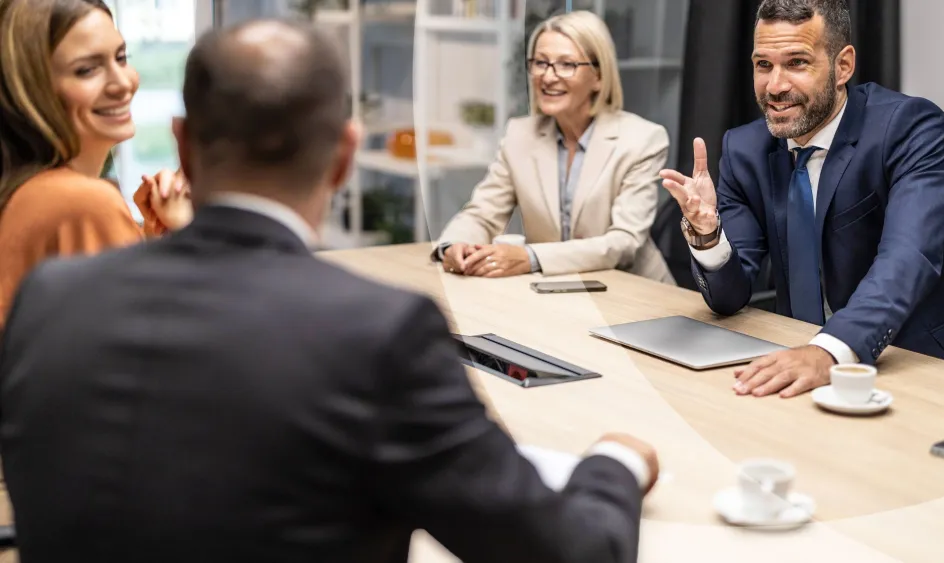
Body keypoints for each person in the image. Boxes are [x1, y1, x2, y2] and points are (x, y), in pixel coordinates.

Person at [0, 17, 662, 562]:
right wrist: (615, 463)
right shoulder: (378, 332)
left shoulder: (51, 297)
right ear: (345, 156)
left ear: (182, 141)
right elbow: (573, 552)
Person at [660, 0, 944, 399]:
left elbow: (907, 258)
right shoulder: (745, 149)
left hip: (930, 365)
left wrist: (827, 351)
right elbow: (730, 296)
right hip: (803, 361)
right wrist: (708, 235)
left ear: (843, 67)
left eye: (797, 63)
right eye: (763, 65)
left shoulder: (910, 127)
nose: (775, 86)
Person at [432, 10, 673, 283]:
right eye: (541, 63)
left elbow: (623, 242)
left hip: (634, 292)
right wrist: (453, 245)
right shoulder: (519, 135)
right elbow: (483, 214)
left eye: (566, 64)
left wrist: (529, 257)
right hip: (555, 292)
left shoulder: (642, 139)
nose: (547, 77)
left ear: (599, 77)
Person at [0, 0, 192, 329]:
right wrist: (190, 236)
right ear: (32, 90)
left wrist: (152, 240)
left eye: (121, 58)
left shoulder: (33, 192)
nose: (124, 83)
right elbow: (153, 350)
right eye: (87, 70)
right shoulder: (81, 202)